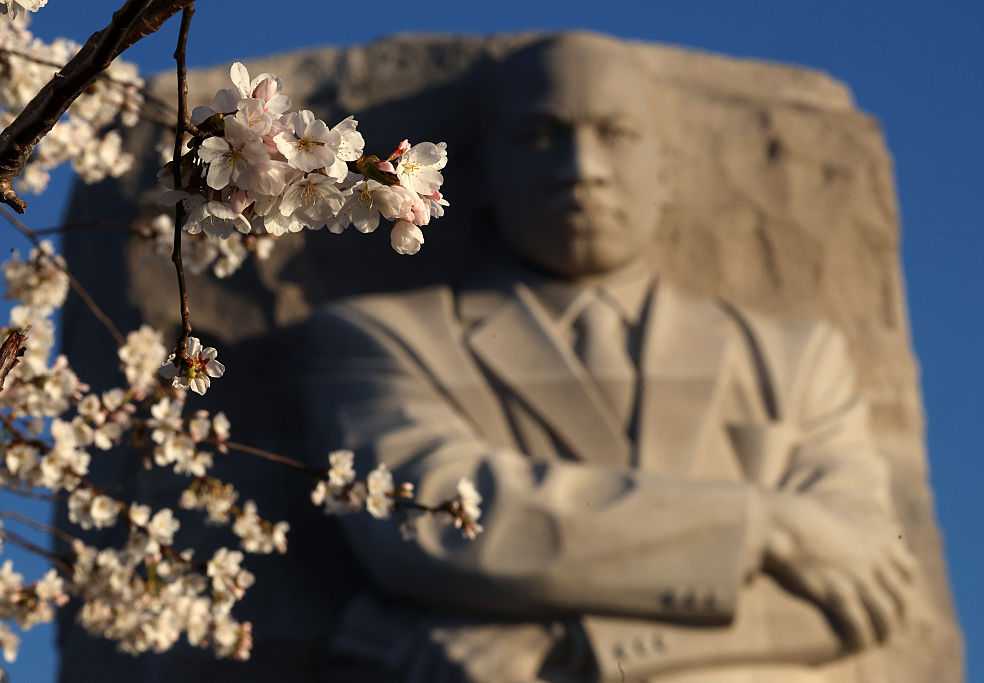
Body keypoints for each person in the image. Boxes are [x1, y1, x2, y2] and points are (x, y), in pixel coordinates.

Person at [299, 32, 916, 683]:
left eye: (615, 133)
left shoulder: (792, 358)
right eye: (540, 136)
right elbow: (433, 516)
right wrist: (766, 525)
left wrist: (573, 645)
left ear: (666, 170)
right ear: (481, 175)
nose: (582, 168)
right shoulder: (382, 339)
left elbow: (862, 588)